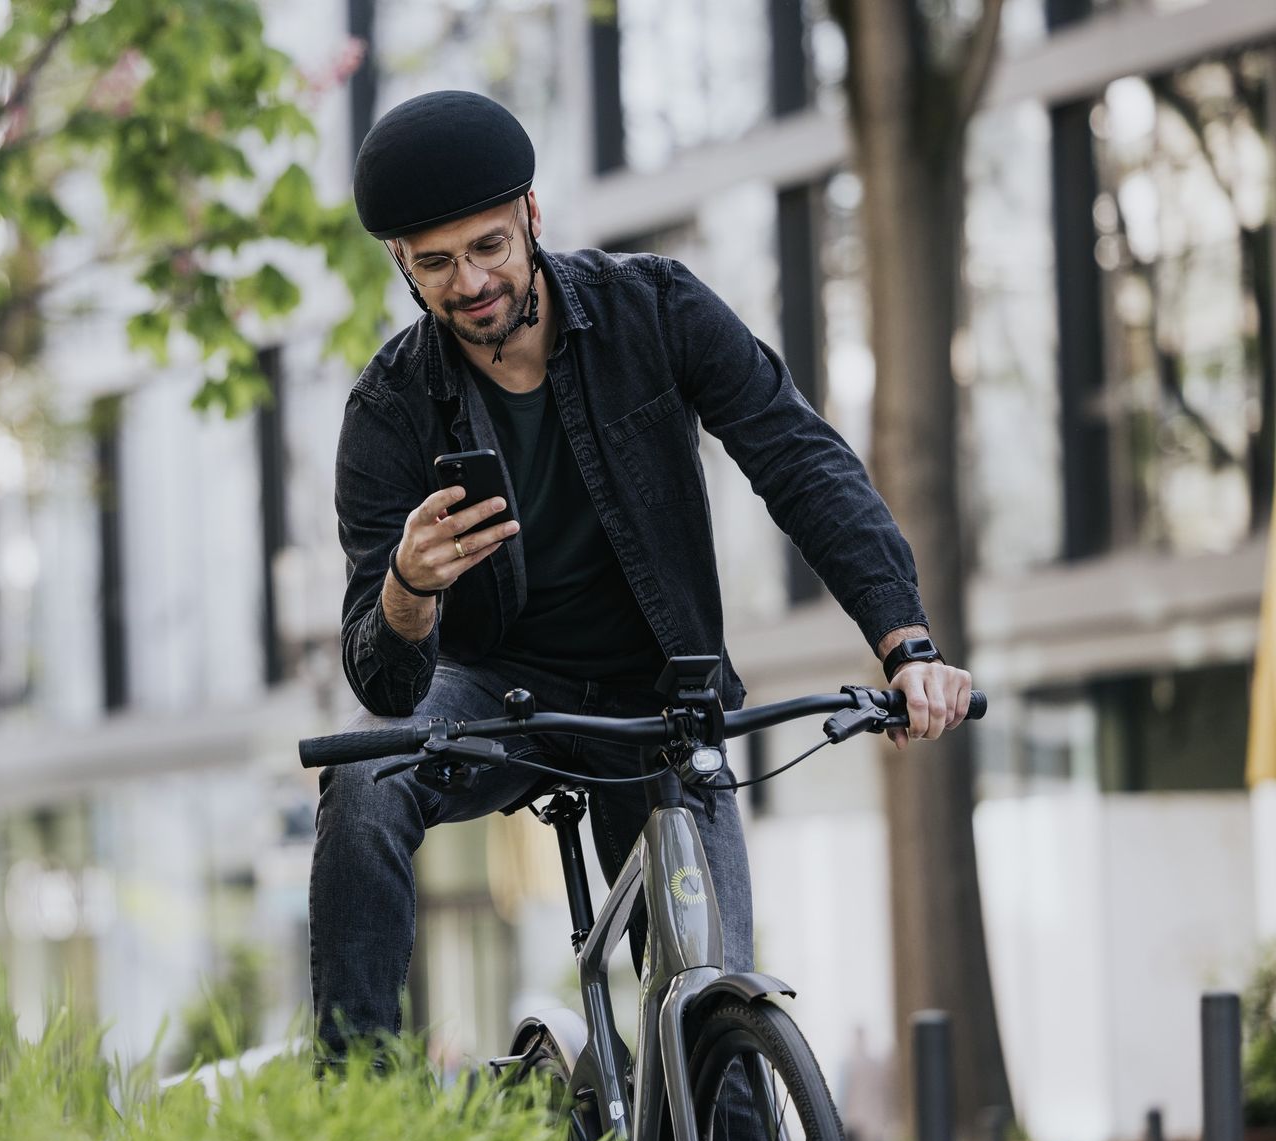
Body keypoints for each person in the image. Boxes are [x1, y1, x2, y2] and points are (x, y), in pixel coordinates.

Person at [310, 89, 973, 1061]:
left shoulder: (654, 309)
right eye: (437, 262)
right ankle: (356, 1127)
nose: (471, 282)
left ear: (532, 215)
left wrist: (905, 640)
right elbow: (385, 686)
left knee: (715, 1018)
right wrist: (410, 584)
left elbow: (797, 457)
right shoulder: (387, 412)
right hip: (496, 700)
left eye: (489, 246)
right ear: (401, 264)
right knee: (362, 777)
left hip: (663, 699)